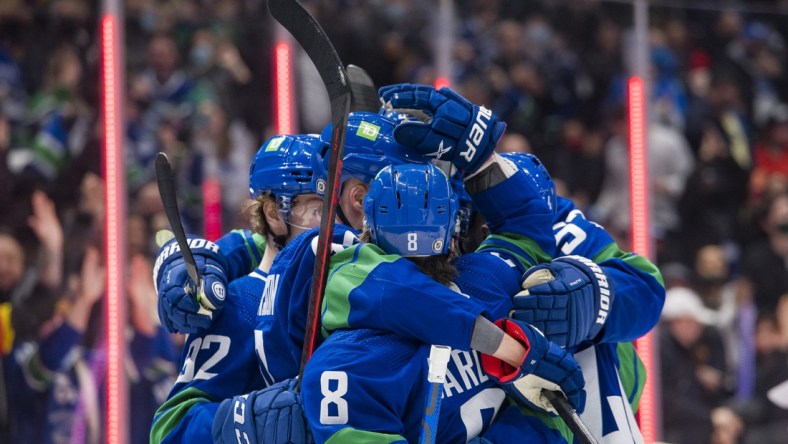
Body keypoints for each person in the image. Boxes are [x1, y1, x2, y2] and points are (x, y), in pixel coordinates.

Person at [300, 162, 584, 443]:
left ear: (367, 231)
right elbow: (527, 225)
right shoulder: (490, 280)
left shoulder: (340, 366)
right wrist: (480, 154)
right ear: (451, 234)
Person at [150, 133, 326, 443]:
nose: (332, 225)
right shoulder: (239, 303)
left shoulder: (345, 292)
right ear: (273, 213)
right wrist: (248, 422)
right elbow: (172, 430)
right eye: (316, 209)